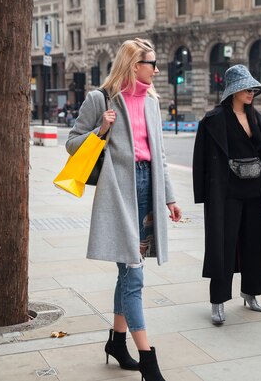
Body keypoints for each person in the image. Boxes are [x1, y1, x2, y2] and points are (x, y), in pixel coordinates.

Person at [66, 38, 182, 381]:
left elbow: (158, 154)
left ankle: (117, 342)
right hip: (120, 192)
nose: (157, 69)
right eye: (152, 63)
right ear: (134, 65)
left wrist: (170, 198)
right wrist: (101, 129)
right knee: (134, 276)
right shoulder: (100, 99)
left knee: (129, 271)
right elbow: (73, 143)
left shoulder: (151, 101)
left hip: (148, 189)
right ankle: (149, 361)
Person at [192, 64, 261, 326]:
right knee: (224, 245)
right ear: (233, 90)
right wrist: (203, 195)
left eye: (253, 88)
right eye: (246, 88)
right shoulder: (213, 120)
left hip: (256, 191)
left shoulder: (260, 119)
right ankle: (218, 301)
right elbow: (201, 161)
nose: (251, 92)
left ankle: (250, 292)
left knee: (254, 243)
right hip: (226, 193)